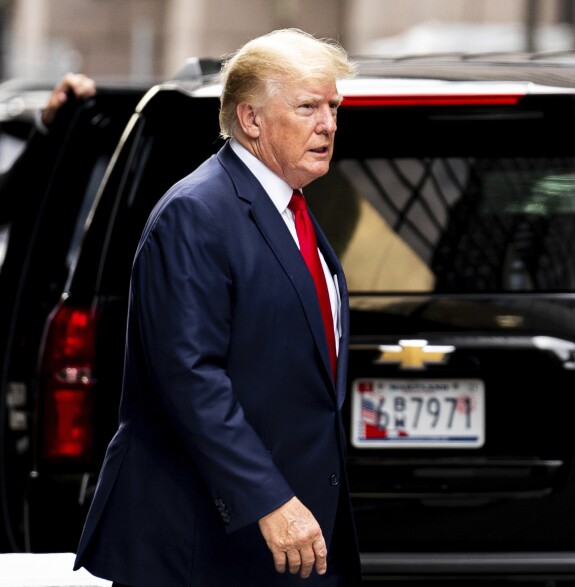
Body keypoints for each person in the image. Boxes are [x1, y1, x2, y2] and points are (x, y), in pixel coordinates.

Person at [73, 29, 360, 586]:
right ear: (250, 119)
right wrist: (270, 501)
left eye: (332, 106)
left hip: (280, 538)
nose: (327, 124)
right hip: (201, 541)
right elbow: (190, 379)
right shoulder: (197, 212)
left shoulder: (289, 208)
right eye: (307, 107)